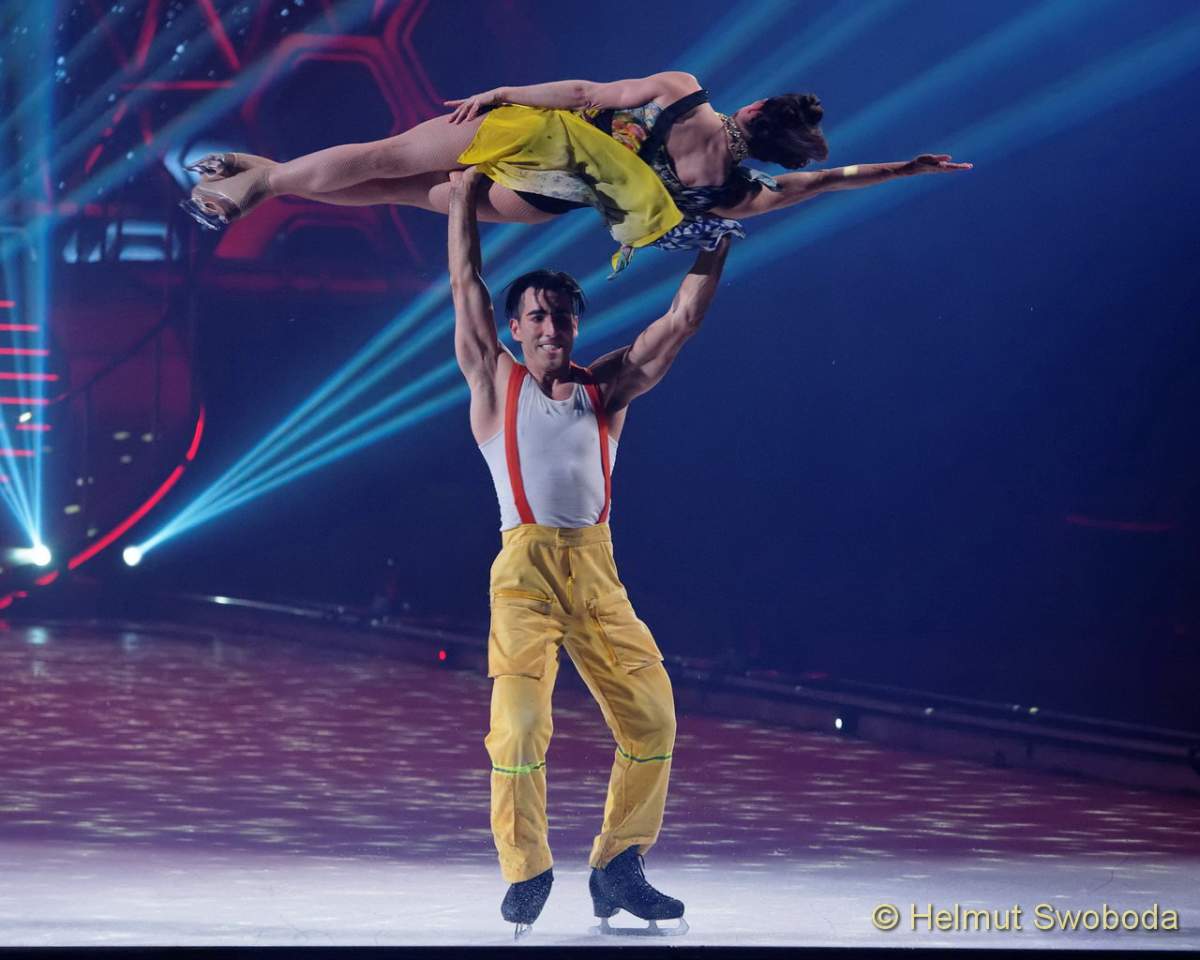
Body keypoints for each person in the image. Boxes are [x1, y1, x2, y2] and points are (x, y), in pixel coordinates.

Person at [447, 163, 729, 937]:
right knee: (518, 725)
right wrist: (463, 199)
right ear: (515, 328)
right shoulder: (494, 383)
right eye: (537, 317)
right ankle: (526, 868)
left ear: (576, 326)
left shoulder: (607, 389)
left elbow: (680, 322)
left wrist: (717, 242)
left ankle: (618, 865)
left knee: (653, 719)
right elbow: (466, 284)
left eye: (563, 318)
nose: (551, 329)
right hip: (525, 576)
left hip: (597, 574)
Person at [182, 71, 969, 269]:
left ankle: (262, 183)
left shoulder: (681, 92)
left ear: (759, 107)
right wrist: (903, 169)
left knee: (384, 158)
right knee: (397, 191)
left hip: (534, 139)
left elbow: (586, 92)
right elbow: (829, 182)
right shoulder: (736, 196)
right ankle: (263, 178)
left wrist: (506, 93)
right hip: (546, 199)